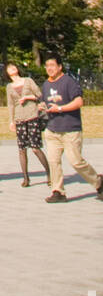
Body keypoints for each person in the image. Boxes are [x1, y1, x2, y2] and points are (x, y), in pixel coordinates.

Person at [41, 51, 103, 205]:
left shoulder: (69, 81)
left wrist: (60, 109)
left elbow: (79, 102)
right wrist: (42, 106)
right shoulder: (46, 84)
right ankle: (58, 191)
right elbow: (44, 101)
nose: (50, 68)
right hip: (52, 130)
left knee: (76, 161)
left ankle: (98, 182)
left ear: (60, 67)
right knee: (54, 162)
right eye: (47, 65)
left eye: (52, 65)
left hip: (70, 130)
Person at [5, 61, 50, 187]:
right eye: (9, 68)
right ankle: (26, 178)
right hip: (19, 118)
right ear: (7, 73)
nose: (12, 68)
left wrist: (28, 98)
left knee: (35, 148)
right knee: (22, 149)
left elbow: (40, 95)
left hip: (32, 115)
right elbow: (10, 104)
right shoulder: (9, 86)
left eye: (13, 66)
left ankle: (49, 174)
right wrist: (11, 120)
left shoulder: (28, 81)